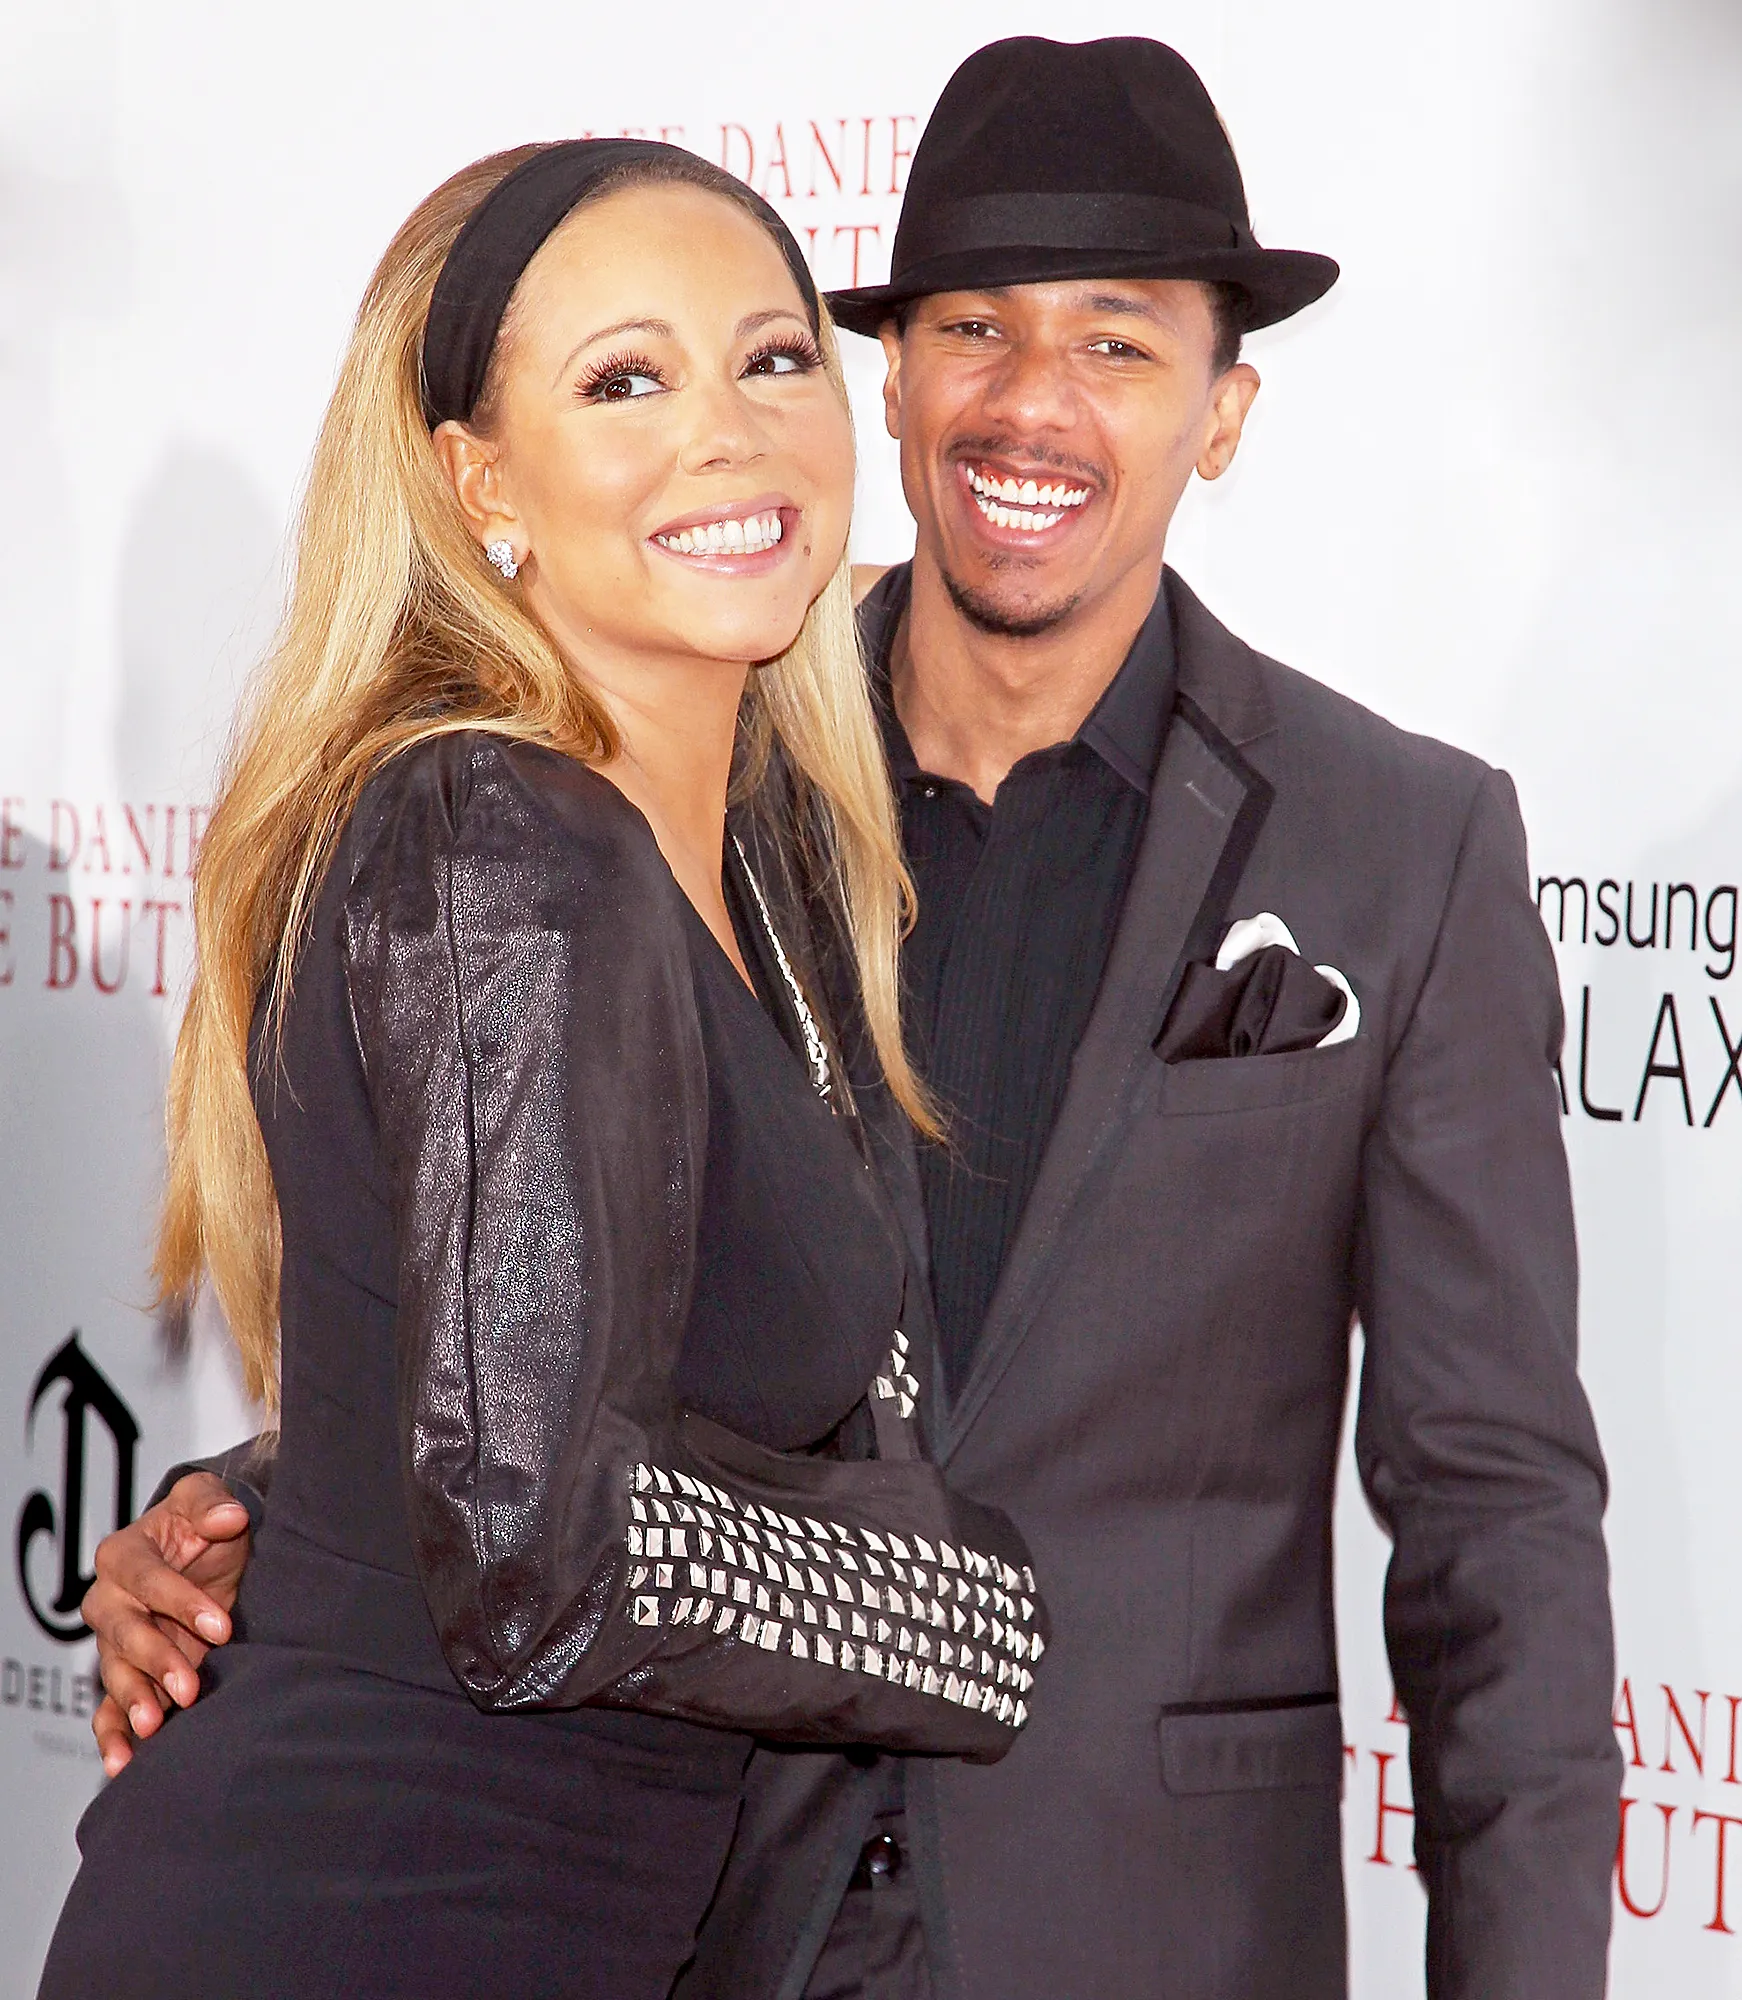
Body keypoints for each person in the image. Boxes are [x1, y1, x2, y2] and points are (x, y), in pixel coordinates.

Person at [84, 38, 1622, 2000]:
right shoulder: (669, 779)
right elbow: (546, 1350)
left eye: (1117, 342)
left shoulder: (1400, 842)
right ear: (891, 380)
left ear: (1223, 412)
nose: (1030, 400)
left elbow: (1495, 1515)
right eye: (972, 327)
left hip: (1141, 1927)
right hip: (699, 1918)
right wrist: (275, 1519)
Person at [37, 136, 1046, 2000]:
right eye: (624, 381)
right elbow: (539, 1554)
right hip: (376, 1917)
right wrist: (960, 1609)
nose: (727, 432)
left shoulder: (757, 857)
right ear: (477, 479)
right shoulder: (506, 838)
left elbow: (521, 1379)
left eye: (772, 358)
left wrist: (273, 1493)